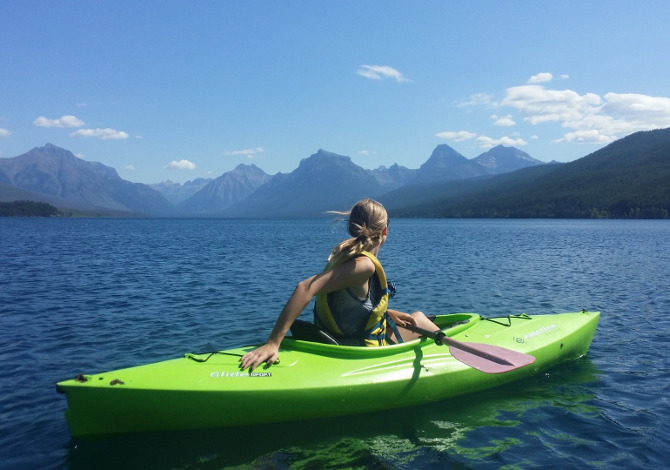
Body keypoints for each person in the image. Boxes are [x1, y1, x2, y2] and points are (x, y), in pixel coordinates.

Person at [239, 198, 438, 372]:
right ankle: (455, 362)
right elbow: (305, 288)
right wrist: (273, 343)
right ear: (385, 230)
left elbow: (349, 307)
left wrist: (387, 313)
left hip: (342, 338)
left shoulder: (346, 255)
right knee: (419, 319)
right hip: (357, 351)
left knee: (412, 319)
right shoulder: (365, 265)